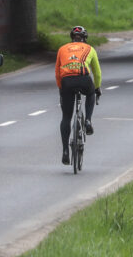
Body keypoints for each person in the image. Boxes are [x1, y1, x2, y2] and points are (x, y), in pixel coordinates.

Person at [55, 25, 102, 165]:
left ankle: (65, 151)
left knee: (66, 117)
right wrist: (97, 88)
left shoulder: (62, 49)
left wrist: (61, 88)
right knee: (91, 93)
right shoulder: (90, 49)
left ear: (71, 38)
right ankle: (87, 120)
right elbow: (97, 73)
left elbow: (57, 72)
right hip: (83, 79)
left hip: (66, 82)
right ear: (85, 38)